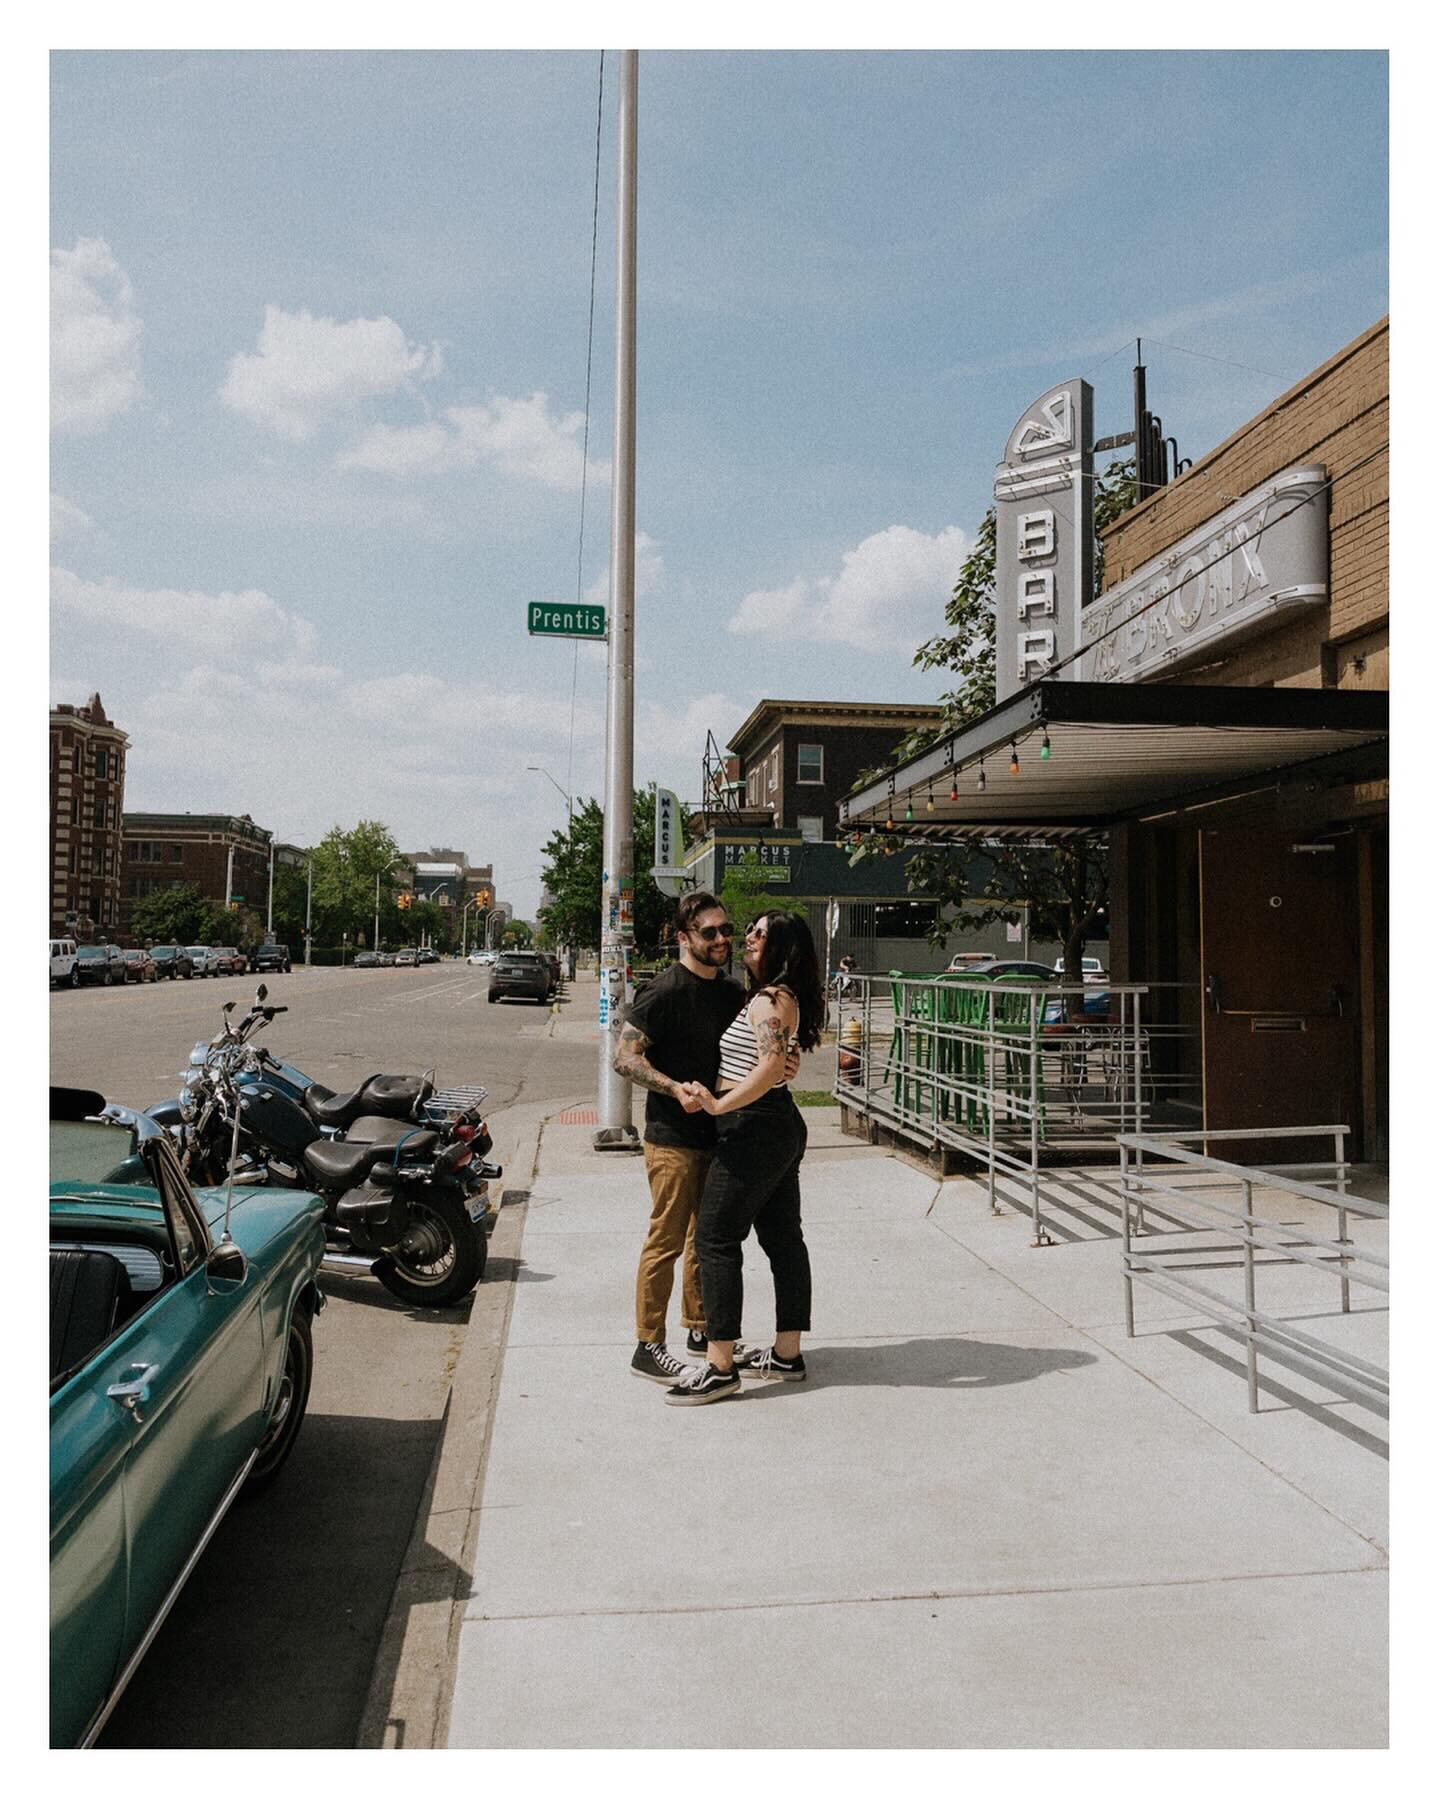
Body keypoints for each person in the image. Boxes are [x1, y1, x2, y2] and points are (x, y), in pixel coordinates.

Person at [614, 893, 798, 1383]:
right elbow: (624, 1058)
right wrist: (674, 1088)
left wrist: (784, 1064)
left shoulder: (734, 991)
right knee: (668, 1239)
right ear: (683, 937)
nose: (722, 940)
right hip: (672, 1137)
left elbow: (759, 1052)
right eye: (709, 932)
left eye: (726, 931)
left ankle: (701, 1330)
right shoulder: (663, 991)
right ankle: (648, 1345)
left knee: (706, 1239)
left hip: (722, 1132)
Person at [663, 909, 825, 1406]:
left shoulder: (771, 999)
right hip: (776, 1124)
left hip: (754, 1128)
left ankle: (719, 1365)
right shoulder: (782, 997)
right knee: (782, 1239)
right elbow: (779, 1063)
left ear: (782, 948)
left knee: (714, 1237)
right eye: (748, 932)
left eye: (759, 935)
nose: (747, 940)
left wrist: (720, 1104)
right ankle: (787, 1353)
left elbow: (772, 1062)